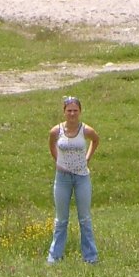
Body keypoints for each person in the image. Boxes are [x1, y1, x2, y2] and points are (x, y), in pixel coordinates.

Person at [47, 95, 99, 264]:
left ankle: (90, 257)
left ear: (80, 112)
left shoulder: (86, 130)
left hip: (82, 177)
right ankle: (54, 257)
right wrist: (58, 160)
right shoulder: (56, 131)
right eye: (69, 110)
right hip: (62, 177)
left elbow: (95, 140)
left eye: (75, 110)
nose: (72, 114)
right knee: (61, 219)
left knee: (84, 218)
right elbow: (52, 145)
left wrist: (87, 157)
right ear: (64, 112)